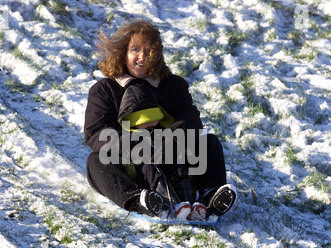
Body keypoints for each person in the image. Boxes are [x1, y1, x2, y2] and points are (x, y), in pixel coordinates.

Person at [84, 19, 236, 221]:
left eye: (148, 50)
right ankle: (141, 200)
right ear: (123, 53)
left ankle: (209, 198)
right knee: (96, 161)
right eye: (135, 50)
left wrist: (171, 141)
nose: (142, 56)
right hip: (130, 163)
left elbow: (190, 118)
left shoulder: (173, 85)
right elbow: (96, 131)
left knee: (210, 143)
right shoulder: (105, 89)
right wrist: (135, 144)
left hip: (174, 155)